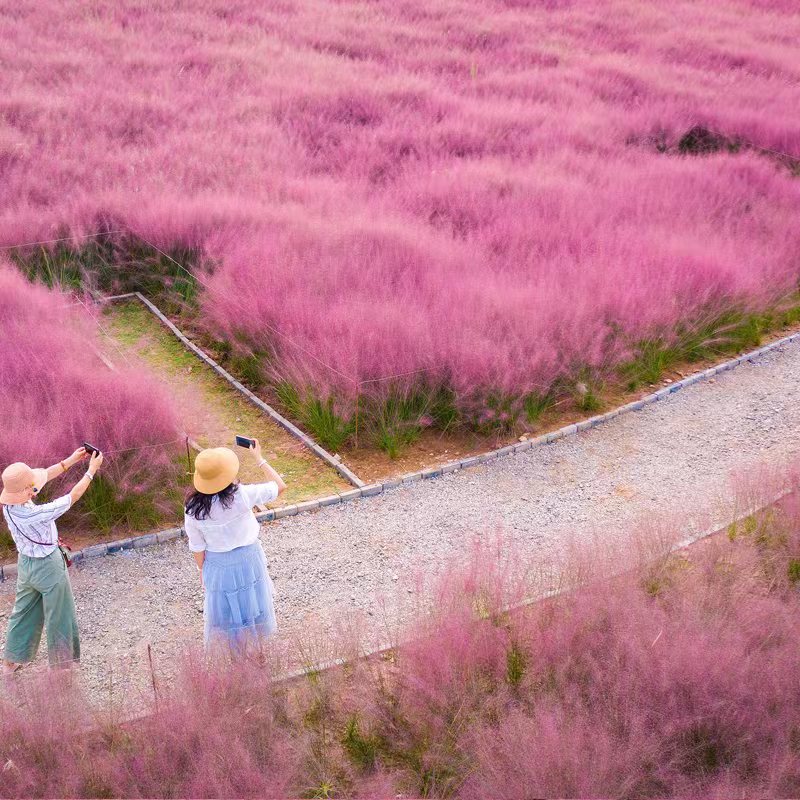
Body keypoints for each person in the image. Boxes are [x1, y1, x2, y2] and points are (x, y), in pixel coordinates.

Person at [1, 447, 104, 674]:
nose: (35, 488)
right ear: (27, 491)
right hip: (48, 565)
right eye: (31, 488)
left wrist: (71, 460)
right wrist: (90, 471)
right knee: (60, 614)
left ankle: (11, 661)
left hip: (26, 566)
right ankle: (62, 666)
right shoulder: (33, 514)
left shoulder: (9, 507)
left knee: (23, 611)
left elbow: (44, 475)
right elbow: (72, 497)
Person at [184, 439, 286, 649]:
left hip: (218, 566)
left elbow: (197, 547)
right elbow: (280, 486)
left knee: (227, 615)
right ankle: (258, 654)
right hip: (249, 559)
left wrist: (202, 571)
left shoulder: (193, 510)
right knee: (254, 606)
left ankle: (236, 662)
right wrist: (259, 458)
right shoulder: (242, 496)